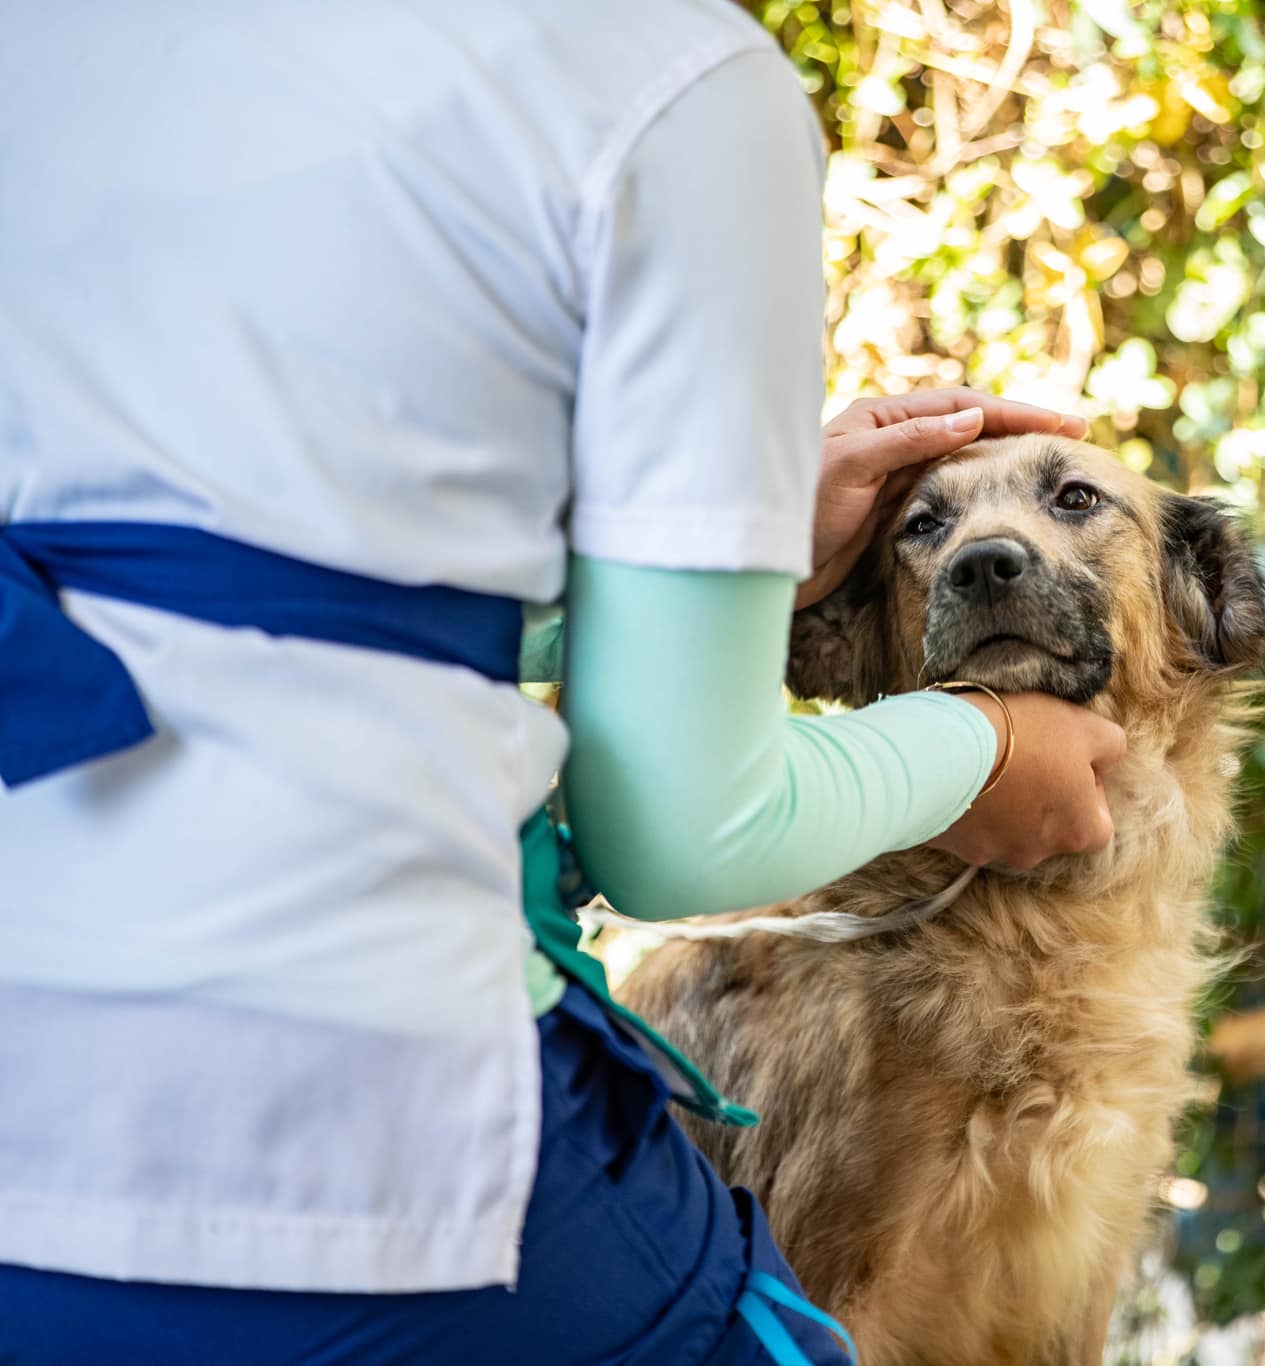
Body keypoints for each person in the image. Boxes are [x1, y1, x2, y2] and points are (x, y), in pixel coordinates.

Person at [0, 3, 1126, 1363]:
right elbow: (678, 832)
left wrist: (739, 551)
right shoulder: (678, 85)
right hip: (358, 1125)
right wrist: (980, 752)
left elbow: (236, 580)